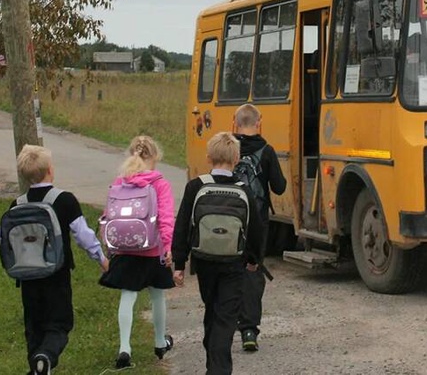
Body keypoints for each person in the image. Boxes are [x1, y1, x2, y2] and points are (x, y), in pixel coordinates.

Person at [172, 132, 265, 375]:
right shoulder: (243, 189)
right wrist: (254, 260)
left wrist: (179, 263)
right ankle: (219, 368)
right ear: (236, 158)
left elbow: (182, 225)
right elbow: (255, 229)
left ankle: (213, 363)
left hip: (204, 262)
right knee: (226, 317)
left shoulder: (196, 186)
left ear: (208, 157)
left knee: (212, 309)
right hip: (234, 263)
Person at [11, 144, 109, 375]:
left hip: (27, 275)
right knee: (60, 323)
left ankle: (37, 365)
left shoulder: (18, 204)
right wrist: (101, 258)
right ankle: (46, 356)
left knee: (33, 326)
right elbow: (83, 234)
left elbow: (2, 237)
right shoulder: (64, 200)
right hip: (57, 272)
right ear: (49, 171)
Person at [98, 135, 176, 368]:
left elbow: (108, 215)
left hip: (126, 249)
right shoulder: (159, 183)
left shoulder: (120, 182)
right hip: (152, 250)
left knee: (128, 296)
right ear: (154, 158)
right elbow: (166, 218)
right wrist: (168, 246)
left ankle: (124, 348)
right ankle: (160, 342)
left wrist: (109, 245)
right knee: (157, 296)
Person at [232, 103, 286, 352]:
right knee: (252, 271)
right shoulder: (267, 151)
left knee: (230, 270)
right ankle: (249, 329)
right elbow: (279, 187)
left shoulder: (227, 148)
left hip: (229, 219)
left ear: (235, 123)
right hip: (257, 222)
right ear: (259, 123)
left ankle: (226, 320)